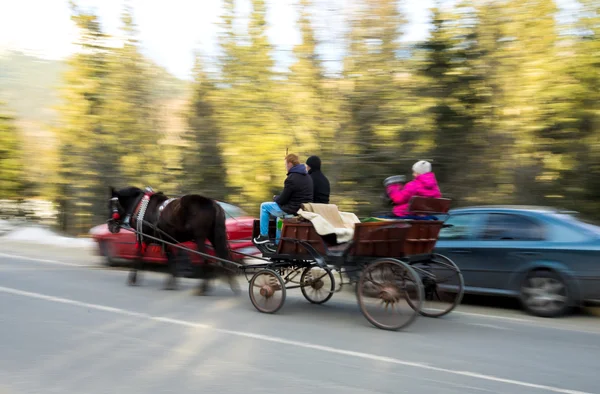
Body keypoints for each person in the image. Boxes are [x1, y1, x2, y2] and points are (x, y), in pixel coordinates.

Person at [254, 153, 313, 245]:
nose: (285, 167)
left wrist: (275, 197)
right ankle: (278, 243)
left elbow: (282, 200)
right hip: (301, 209)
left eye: (285, 164)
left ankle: (263, 236)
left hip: (291, 209)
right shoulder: (308, 177)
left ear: (290, 163)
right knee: (279, 219)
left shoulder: (291, 178)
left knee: (264, 206)